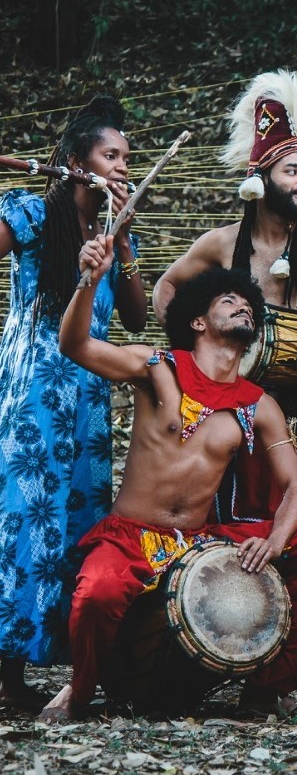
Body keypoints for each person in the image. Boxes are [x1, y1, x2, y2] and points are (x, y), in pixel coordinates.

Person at [153, 70, 297, 686]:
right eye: (293, 173)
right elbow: (166, 290)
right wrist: (195, 356)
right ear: (261, 182)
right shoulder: (221, 243)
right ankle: (230, 632)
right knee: (236, 507)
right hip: (239, 404)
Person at [40, 244, 297, 722]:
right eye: (228, 301)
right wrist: (90, 279)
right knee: (96, 593)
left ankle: (266, 690)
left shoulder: (260, 404)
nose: (243, 306)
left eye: (248, 305)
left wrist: (276, 542)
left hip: (196, 540)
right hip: (132, 535)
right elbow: (74, 346)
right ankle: (79, 690)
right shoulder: (155, 366)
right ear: (197, 322)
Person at [0, 96, 147, 711]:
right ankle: (7, 668)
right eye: (109, 155)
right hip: (34, 385)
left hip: (88, 394)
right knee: (26, 514)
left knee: (76, 517)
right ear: (73, 161)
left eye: (126, 158)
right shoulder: (35, 212)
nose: (120, 166)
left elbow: (138, 314)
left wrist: (123, 240)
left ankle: (61, 656)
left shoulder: (114, 228)